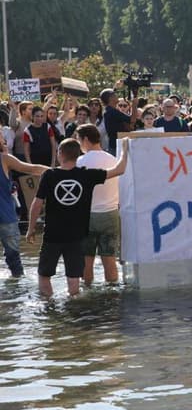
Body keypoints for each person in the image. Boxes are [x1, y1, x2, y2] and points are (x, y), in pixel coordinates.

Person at [26, 138, 129, 297]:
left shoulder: (49, 175)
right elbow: (120, 169)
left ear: (60, 153)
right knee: (74, 280)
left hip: (52, 235)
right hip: (76, 236)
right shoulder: (87, 175)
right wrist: (124, 148)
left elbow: (36, 205)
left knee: (44, 275)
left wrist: (30, 229)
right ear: (78, 154)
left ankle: (48, 307)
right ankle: (73, 309)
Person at [75, 125, 122, 286]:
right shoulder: (113, 159)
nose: (79, 144)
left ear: (86, 140)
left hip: (87, 216)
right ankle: (113, 292)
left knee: (86, 259)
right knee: (109, 259)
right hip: (110, 213)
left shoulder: (80, 162)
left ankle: (88, 292)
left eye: (79, 140)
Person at [0, 135, 49, 278]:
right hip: (6, 216)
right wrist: (57, 171)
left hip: (6, 215)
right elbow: (32, 169)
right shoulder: (5, 159)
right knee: (14, 262)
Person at [101, 88, 138, 156]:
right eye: (115, 95)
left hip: (117, 145)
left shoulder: (111, 111)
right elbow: (133, 119)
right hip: (116, 147)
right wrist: (134, 105)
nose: (117, 96)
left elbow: (130, 123)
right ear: (111, 98)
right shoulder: (112, 112)